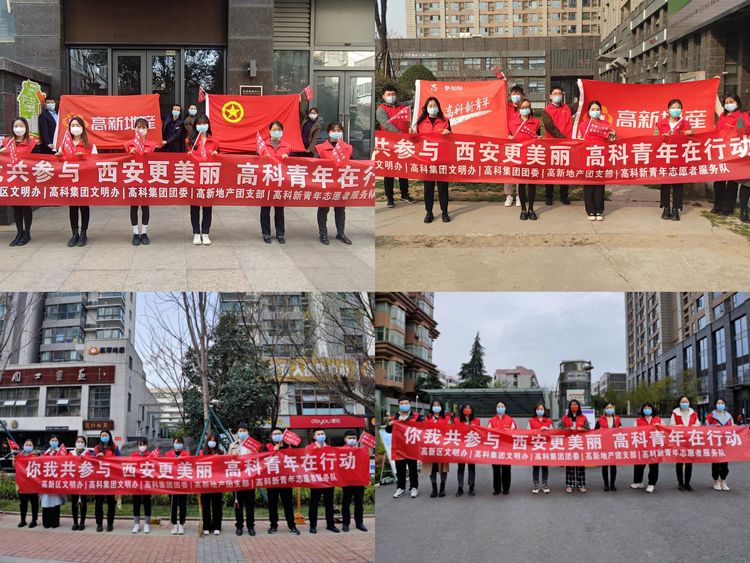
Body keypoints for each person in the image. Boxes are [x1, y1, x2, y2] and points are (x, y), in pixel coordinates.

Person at [56, 116, 97, 247]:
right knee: (72, 208)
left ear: (82, 128)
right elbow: (59, 162)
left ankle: (84, 233)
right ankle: (74, 234)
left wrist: (85, 157)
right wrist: (58, 156)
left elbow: (96, 162)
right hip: (70, 180)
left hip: (84, 180)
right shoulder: (64, 144)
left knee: (84, 207)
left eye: (77, 125)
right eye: (72, 125)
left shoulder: (89, 143)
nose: (75, 127)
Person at [412, 96, 452, 223]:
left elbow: (452, 140)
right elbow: (415, 140)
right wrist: (411, 135)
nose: (433, 108)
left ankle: (444, 212)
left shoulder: (445, 121)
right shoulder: (421, 123)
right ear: (426, 108)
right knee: (428, 189)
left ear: (439, 107)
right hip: (426, 161)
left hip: (441, 159)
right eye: (430, 106)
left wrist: (449, 134)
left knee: (443, 188)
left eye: (435, 106)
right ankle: (429, 212)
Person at [653, 99, 695, 221]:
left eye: (678, 108)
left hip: (680, 158)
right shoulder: (660, 124)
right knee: (665, 185)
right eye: (673, 107)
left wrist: (690, 133)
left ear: (681, 110)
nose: (675, 110)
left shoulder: (686, 123)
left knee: (678, 185)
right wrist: (661, 137)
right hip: (665, 158)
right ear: (668, 110)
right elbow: (654, 139)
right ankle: (666, 208)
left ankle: (676, 209)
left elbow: (694, 138)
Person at [376, 84, 415, 207]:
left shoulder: (401, 106)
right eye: (388, 94)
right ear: (383, 96)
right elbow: (386, 124)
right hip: (389, 143)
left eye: (393, 94)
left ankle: (404, 194)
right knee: (390, 171)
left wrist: (421, 88)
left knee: (403, 169)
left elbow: (414, 102)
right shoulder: (381, 109)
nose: (391, 96)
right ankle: (390, 198)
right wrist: (399, 134)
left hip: (403, 143)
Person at [0, 117, 37, 246]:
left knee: (26, 207)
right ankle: (19, 232)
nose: (18, 128)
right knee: (16, 207)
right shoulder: (6, 142)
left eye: (21, 126)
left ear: (26, 127)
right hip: (11, 179)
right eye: (16, 126)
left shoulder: (32, 143)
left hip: (26, 180)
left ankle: (27, 233)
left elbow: (40, 159)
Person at [314, 122, 353, 244]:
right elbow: (313, 165)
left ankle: (340, 233)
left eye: (339, 130)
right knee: (323, 209)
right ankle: (323, 233)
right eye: (334, 130)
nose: (336, 133)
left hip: (341, 183)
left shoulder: (348, 148)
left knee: (340, 209)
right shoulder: (320, 148)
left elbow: (354, 166)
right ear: (328, 132)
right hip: (326, 183)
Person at [578, 101, 615, 221]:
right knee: (589, 184)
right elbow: (578, 140)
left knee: (599, 184)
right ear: (588, 112)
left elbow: (611, 140)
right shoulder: (583, 125)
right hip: (588, 157)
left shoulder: (605, 125)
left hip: (601, 156)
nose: (595, 111)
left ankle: (599, 210)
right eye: (593, 109)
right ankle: (590, 210)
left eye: (597, 109)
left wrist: (613, 135)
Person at [125, 118, 159, 245]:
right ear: (134, 129)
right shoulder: (128, 144)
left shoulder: (152, 144)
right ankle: (135, 233)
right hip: (133, 179)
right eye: (139, 127)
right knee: (133, 207)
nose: (141, 130)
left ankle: (144, 233)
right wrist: (130, 154)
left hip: (147, 179)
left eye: (144, 127)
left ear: (147, 129)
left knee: (145, 207)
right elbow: (122, 161)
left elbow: (158, 161)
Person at [188, 114, 219, 245]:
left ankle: (205, 233)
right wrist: (188, 155)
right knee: (194, 207)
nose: (202, 125)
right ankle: (196, 232)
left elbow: (221, 161)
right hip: (194, 179)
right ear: (195, 126)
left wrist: (217, 155)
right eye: (199, 123)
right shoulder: (190, 141)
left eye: (204, 123)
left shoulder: (214, 142)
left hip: (208, 179)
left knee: (207, 207)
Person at [259, 121, 292, 244]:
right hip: (266, 181)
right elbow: (257, 162)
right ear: (269, 131)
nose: (276, 131)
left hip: (280, 182)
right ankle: (266, 233)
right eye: (274, 129)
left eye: (279, 129)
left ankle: (280, 233)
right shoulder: (262, 146)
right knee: (265, 209)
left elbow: (292, 164)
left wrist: (287, 158)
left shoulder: (287, 146)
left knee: (279, 209)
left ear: (282, 131)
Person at [385, 396, 424, 498]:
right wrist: (389, 424)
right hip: (399, 448)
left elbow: (423, 428)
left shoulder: (417, 417)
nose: (404, 405)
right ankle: (400, 488)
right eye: (402, 404)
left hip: (411, 447)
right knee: (400, 469)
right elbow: (388, 431)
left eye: (406, 403)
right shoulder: (395, 417)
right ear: (399, 405)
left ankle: (414, 487)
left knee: (413, 469)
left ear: (409, 404)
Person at [713, 94, 745, 216]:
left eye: (731, 102)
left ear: (737, 103)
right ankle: (717, 205)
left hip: (733, 153)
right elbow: (717, 106)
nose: (728, 104)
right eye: (726, 102)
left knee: (731, 182)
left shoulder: (740, 118)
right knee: (719, 181)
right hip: (719, 152)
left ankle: (727, 208)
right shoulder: (722, 116)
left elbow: (742, 135)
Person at [540, 86, 573, 206]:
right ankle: (548, 196)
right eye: (555, 93)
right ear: (550, 96)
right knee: (551, 171)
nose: (557, 95)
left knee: (564, 171)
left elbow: (580, 104)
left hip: (566, 146)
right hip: (552, 145)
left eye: (560, 93)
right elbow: (550, 127)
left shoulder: (567, 108)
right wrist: (563, 138)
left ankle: (564, 196)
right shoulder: (546, 110)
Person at [510, 98, 541, 221]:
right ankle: (523, 208)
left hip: (532, 156)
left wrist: (539, 138)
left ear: (530, 108)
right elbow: (508, 137)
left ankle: (531, 208)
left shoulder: (536, 122)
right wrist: (509, 137)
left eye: (527, 107)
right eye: (523, 107)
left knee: (532, 184)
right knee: (521, 184)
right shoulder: (512, 123)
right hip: (519, 156)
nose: (525, 109)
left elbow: (538, 136)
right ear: (518, 109)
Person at [265, 427, 300, 535]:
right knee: (272, 504)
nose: (277, 435)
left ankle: (291, 525)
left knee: (288, 504)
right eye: (275, 434)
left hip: (285, 479)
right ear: (271, 436)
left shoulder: (288, 446)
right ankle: (273, 525)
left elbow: (294, 459)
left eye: (279, 433)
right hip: (272, 480)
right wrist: (275, 449)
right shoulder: (267, 446)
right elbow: (264, 459)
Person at [307, 428, 340, 534]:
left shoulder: (330, 448)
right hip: (315, 481)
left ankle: (330, 525)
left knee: (329, 504)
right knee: (314, 504)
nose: (321, 435)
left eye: (322, 434)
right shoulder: (309, 448)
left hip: (328, 480)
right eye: (319, 434)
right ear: (314, 437)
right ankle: (313, 526)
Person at [228, 422, 256, 536]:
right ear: (237, 433)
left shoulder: (254, 445)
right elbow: (228, 460)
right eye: (240, 431)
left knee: (250, 505)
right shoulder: (233, 445)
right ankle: (239, 525)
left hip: (250, 479)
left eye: (244, 431)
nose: (242, 433)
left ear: (248, 432)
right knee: (238, 504)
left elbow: (258, 460)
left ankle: (250, 526)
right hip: (237, 480)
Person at [670, 396, 700, 491]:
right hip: (679, 440)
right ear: (679, 403)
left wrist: (695, 426)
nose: (684, 403)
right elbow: (671, 425)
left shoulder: (693, 413)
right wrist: (677, 426)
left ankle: (687, 482)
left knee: (689, 462)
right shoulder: (675, 413)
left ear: (689, 402)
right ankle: (680, 482)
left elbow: (698, 424)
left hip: (690, 440)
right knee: (679, 462)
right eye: (682, 401)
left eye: (686, 401)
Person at [423, 400, 452, 498]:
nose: (436, 407)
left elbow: (451, 431)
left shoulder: (447, 419)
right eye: (434, 405)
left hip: (442, 447)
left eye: (438, 405)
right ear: (431, 407)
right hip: (430, 447)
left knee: (443, 468)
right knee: (432, 469)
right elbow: (422, 430)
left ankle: (442, 488)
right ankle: (434, 488)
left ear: (441, 407)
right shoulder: (427, 419)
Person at [559, 399, 589, 493]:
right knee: (570, 464)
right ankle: (569, 484)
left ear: (579, 406)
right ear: (569, 407)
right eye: (572, 405)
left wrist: (582, 429)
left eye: (576, 404)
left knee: (580, 464)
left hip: (580, 443)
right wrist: (568, 428)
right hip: (569, 443)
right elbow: (559, 428)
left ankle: (581, 484)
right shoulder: (565, 418)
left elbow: (588, 429)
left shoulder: (583, 417)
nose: (574, 406)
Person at [631, 402, 661, 493]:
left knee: (653, 466)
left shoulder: (658, 419)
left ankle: (651, 484)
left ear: (652, 409)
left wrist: (659, 427)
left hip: (654, 447)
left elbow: (664, 430)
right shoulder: (638, 420)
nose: (647, 410)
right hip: (642, 446)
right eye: (645, 408)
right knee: (639, 465)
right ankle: (638, 482)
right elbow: (633, 431)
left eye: (649, 408)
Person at [341, 430, 367, 532]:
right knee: (346, 503)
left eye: (353, 438)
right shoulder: (341, 450)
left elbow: (365, 465)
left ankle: (359, 523)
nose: (352, 440)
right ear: (345, 439)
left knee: (359, 503)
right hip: (346, 481)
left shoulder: (360, 450)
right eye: (349, 438)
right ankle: (345, 523)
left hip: (359, 481)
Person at [487, 401, 516, 495]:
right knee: (496, 470)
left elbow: (516, 433)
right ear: (496, 408)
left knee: (506, 469)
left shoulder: (510, 420)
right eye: (498, 406)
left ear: (505, 408)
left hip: (506, 448)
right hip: (495, 448)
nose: (500, 408)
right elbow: (487, 432)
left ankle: (506, 488)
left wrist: (508, 431)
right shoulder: (491, 420)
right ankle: (497, 489)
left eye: (502, 406)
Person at [93, 430, 119, 532]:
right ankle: (99, 524)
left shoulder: (115, 448)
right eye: (102, 435)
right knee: (98, 503)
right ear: (100, 437)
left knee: (111, 503)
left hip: (111, 479)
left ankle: (110, 524)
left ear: (109, 436)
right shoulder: (96, 448)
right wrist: (97, 457)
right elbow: (91, 462)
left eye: (106, 435)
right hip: (99, 480)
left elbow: (120, 460)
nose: (104, 437)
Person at [706, 398, 733, 491]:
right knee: (716, 463)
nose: (720, 405)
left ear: (725, 405)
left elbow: (732, 427)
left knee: (725, 463)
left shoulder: (728, 416)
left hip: (726, 442)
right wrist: (713, 426)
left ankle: (723, 480)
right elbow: (705, 428)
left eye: (722, 403)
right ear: (715, 404)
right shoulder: (711, 415)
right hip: (715, 442)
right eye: (718, 403)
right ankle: (716, 480)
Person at [504, 85, 524, 207]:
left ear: (522, 95)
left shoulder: (525, 107)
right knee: (508, 168)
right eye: (513, 93)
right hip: (508, 141)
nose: (516, 96)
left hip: (522, 142)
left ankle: (519, 195)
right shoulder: (506, 107)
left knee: (520, 168)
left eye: (518, 93)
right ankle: (509, 195)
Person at [164, 437, 189, 534]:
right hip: (172, 483)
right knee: (173, 504)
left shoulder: (186, 454)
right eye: (176, 442)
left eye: (179, 443)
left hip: (182, 483)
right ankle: (174, 524)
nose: (178, 444)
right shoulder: (168, 454)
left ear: (182, 444)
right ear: (173, 443)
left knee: (182, 504)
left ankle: (181, 524)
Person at [200, 433, 224, 535]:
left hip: (217, 483)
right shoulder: (202, 452)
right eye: (210, 440)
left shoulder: (221, 452)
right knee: (205, 505)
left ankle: (217, 526)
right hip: (205, 483)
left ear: (217, 442)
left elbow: (224, 466)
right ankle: (206, 526)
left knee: (217, 505)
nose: (212, 442)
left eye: (214, 440)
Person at [455, 403, 480, 496]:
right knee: (460, 468)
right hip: (461, 447)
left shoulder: (476, 421)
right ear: (462, 410)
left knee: (471, 468)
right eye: (465, 408)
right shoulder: (457, 420)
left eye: (469, 408)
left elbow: (480, 433)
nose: (467, 409)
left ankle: (471, 486)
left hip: (472, 448)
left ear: (472, 410)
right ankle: (460, 487)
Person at [595, 403, 621, 491]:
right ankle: (606, 484)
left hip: (614, 444)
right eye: (607, 407)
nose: (609, 409)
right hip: (604, 445)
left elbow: (621, 430)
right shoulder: (600, 420)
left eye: (611, 407)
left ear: (613, 409)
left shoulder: (617, 419)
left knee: (613, 465)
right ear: (605, 410)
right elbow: (595, 431)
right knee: (605, 465)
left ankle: (612, 484)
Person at [41, 435, 66, 528]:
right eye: (52, 440)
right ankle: (46, 523)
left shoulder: (62, 453)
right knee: (46, 502)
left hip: (56, 481)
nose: (54, 442)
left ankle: (55, 522)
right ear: (49, 442)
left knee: (56, 502)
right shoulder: (45, 453)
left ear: (58, 442)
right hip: (46, 482)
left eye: (56, 440)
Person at [528, 402, 552, 494]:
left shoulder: (548, 421)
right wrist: (537, 431)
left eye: (541, 409)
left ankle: (545, 484)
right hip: (535, 447)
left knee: (545, 466)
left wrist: (547, 429)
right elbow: (527, 433)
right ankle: (536, 484)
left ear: (544, 410)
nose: (540, 411)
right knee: (536, 467)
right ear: (535, 410)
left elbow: (553, 433)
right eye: (538, 409)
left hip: (545, 447)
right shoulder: (531, 421)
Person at [14, 439, 39, 528]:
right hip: (23, 484)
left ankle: (34, 520)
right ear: (23, 445)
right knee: (23, 504)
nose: (28, 446)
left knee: (34, 503)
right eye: (26, 444)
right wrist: (15, 461)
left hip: (33, 484)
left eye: (30, 445)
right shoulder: (19, 456)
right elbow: (16, 468)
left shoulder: (35, 455)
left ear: (33, 447)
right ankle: (23, 520)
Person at [130, 438, 152, 533]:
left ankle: (147, 524)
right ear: (137, 446)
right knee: (136, 503)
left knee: (147, 502)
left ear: (147, 445)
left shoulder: (150, 455)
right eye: (140, 444)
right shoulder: (133, 455)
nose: (142, 446)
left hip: (147, 483)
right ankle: (136, 524)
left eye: (144, 444)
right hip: (136, 483)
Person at [71, 437, 91, 530]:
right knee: (74, 502)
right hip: (73, 481)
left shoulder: (88, 453)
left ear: (85, 444)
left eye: (82, 442)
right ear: (75, 443)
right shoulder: (70, 453)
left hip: (84, 481)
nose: (80, 443)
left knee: (83, 502)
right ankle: (75, 522)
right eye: (78, 441)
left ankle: (82, 523)